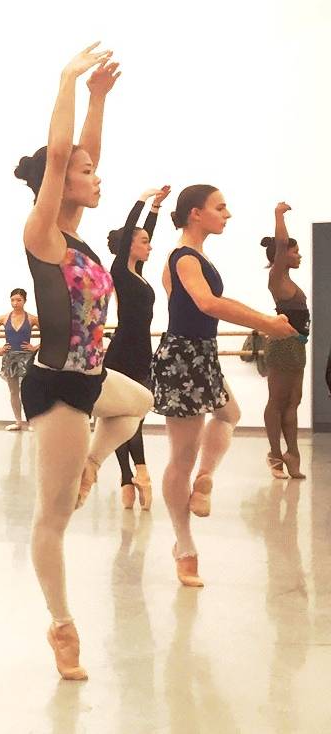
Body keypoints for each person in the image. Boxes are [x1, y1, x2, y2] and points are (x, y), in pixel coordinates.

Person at [13, 44, 153, 681]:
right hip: (60, 387)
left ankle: (95, 463)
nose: (98, 177)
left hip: (93, 378)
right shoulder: (41, 235)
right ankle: (61, 625)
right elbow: (65, 152)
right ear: (61, 176)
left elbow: (80, 153)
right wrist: (68, 81)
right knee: (54, 517)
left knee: (140, 402)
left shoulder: (80, 237)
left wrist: (99, 99)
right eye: (85, 171)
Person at [153, 184, 298, 587]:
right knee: (180, 455)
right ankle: (184, 547)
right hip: (184, 357)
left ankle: (205, 479)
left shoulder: (194, 258)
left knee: (229, 413)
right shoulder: (182, 257)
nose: (227, 214)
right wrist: (266, 323)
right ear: (196, 213)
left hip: (199, 353)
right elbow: (207, 304)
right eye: (220, 207)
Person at [103, 186, 169, 508]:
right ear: (129, 244)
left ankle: (130, 478)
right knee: (122, 418)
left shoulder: (137, 273)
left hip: (142, 352)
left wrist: (156, 209)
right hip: (122, 353)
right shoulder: (118, 270)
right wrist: (141, 200)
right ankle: (135, 476)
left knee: (134, 416)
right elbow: (133, 230)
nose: (149, 245)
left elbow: (143, 232)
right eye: (144, 242)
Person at [262, 201, 309, 479]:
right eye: (296, 251)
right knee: (277, 401)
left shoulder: (289, 280)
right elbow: (280, 244)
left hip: (297, 345)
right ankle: (275, 454)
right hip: (282, 344)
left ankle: (293, 453)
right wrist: (278, 214)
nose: (299, 255)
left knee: (294, 400)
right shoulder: (277, 277)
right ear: (283, 256)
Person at [0, 289, 40, 431]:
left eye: (18, 300)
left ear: (25, 301)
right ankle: (18, 421)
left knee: (29, 390)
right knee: (13, 391)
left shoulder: (32, 318)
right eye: (13, 300)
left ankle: (32, 421)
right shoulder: (3, 318)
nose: (15, 303)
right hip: (10, 358)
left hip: (26, 358)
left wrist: (35, 348)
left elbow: (49, 336)